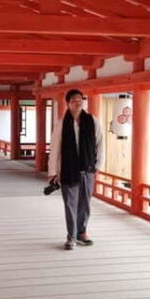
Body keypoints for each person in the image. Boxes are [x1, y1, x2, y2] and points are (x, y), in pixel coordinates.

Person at [48, 89, 104, 250]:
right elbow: (55, 148)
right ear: (68, 103)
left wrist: (98, 165)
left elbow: (100, 144)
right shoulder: (62, 122)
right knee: (70, 204)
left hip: (87, 168)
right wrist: (53, 171)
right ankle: (71, 236)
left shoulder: (92, 120)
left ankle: (82, 231)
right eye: (73, 100)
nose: (77, 102)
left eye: (80, 99)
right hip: (68, 169)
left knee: (85, 203)